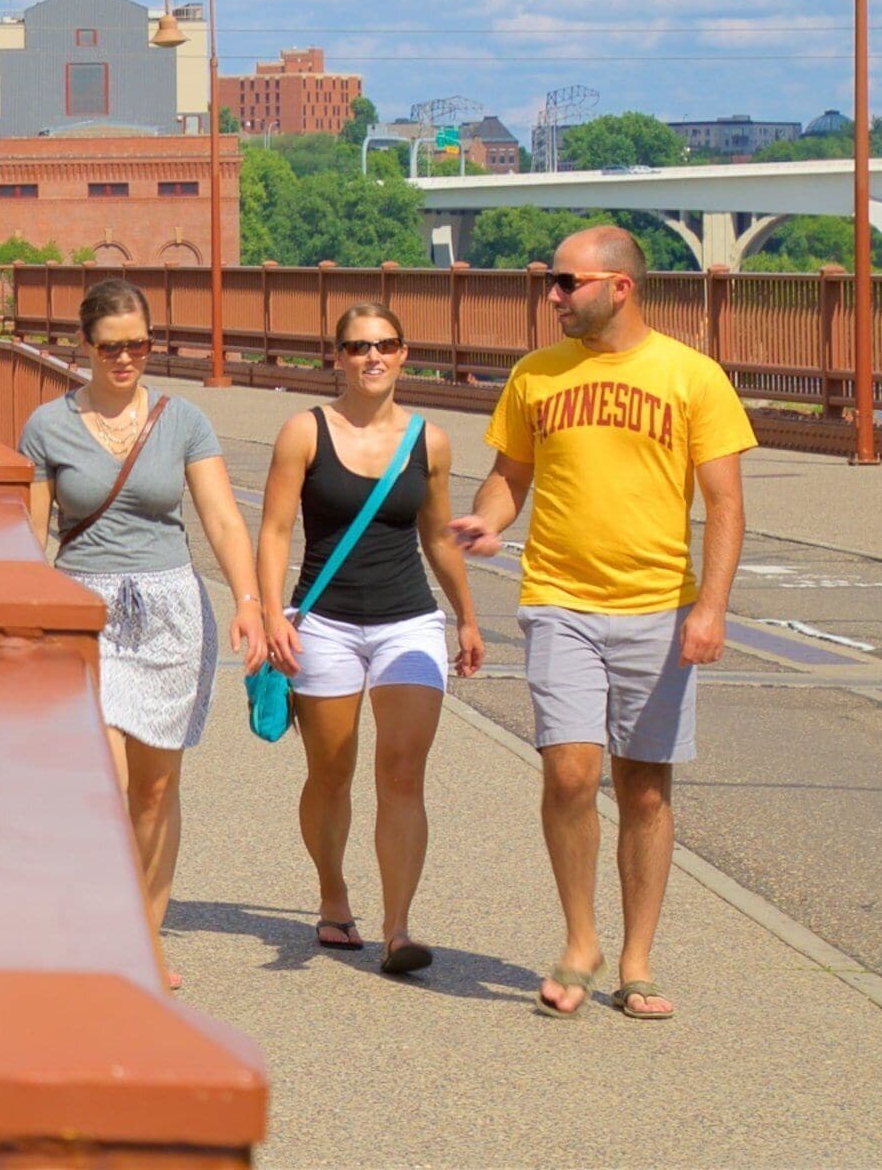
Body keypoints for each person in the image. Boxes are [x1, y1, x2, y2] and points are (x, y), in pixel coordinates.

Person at [452, 225, 751, 1022]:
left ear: (619, 288)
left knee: (644, 790)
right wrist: (487, 520)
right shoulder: (535, 375)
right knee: (570, 773)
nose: (552, 295)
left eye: (566, 282)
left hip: (659, 605)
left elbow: (725, 503)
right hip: (561, 601)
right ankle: (580, 941)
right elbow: (509, 477)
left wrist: (712, 607)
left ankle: (636, 962)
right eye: (550, 282)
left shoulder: (691, 377)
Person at [20, 276, 267, 992]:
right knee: (106, 779)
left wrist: (249, 600)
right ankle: (101, 927)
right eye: (111, 347)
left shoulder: (182, 419)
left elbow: (221, 518)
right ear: (84, 346)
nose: (126, 358)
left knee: (157, 791)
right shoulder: (48, 427)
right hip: (85, 610)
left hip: (170, 611)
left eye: (138, 344)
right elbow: (32, 534)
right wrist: (26, 618)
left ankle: (143, 939)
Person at [257, 301, 482, 976]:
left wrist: (467, 616)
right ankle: (333, 893)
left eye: (384, 345)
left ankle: (397, 928)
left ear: (404, 353)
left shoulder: (429, 441)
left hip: (406, 619)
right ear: (339, 357)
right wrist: (271, 615)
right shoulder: (304, 432)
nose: (372, 357)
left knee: (403, 770)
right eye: (358, 347)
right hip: (325, 622)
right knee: (331, 770)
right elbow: (274, 531)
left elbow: (438, 537)